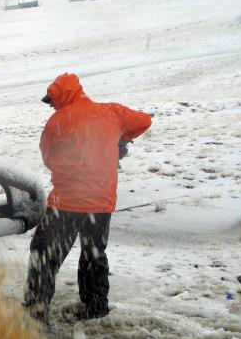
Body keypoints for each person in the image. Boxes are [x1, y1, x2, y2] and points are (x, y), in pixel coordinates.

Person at [24, 73, 152, 323]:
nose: (51, 104)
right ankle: (96, 307)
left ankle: (36, 310)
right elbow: (144, 121)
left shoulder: (56, 122)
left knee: (44, 254)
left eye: (51, 100)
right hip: (101, 203)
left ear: (61, 97)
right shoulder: (112, 113)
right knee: (94, 253)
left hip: (66, 203)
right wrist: (119, 141)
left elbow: (48, 159)